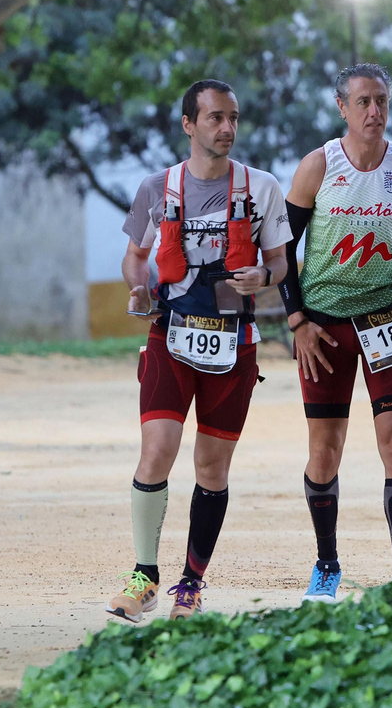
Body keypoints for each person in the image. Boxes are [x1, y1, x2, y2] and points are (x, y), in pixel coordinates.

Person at [106, 80, 291, 623]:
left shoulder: (261, 187)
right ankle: (144, 576)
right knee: (157, 450)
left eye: (233, 117)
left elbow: (281, 262)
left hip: (234, 342)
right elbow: (135, 257)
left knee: (212, 465)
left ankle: (191, 584)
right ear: (189, 124)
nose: (227, 127)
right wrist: (138, 289)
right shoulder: (156, 188)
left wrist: (265, 276)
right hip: (170, 335)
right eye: (215, 117)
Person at [276, 64, 392, 604]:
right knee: (325, 450)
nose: (374, 111)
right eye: (363, 102)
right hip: (324, 326)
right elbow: (282, 251)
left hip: (388, 319)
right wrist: (297, 321)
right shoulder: (317, 166)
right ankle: (326, 564)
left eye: (382, 101)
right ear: (342, 107)